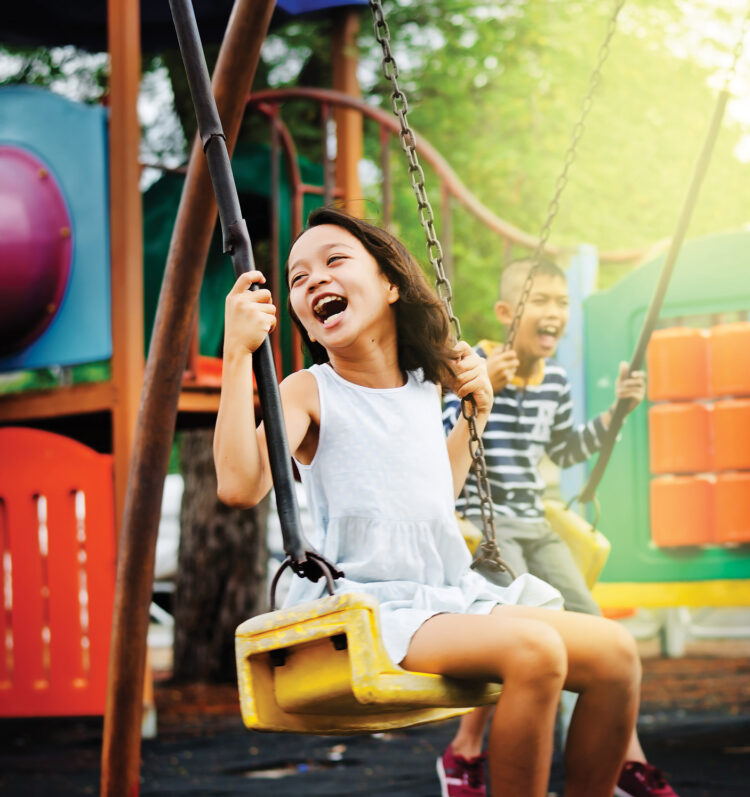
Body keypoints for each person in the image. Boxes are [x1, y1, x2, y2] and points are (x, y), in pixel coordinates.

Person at [213, 208, 642, 797]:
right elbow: (239, 485)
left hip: (445, 596)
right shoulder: (308, 391)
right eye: (297, 278)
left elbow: (434, 496)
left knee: (616, 653)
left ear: (390, 284)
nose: (312, 281)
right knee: (536, 651)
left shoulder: (426, 389)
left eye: (335, 261)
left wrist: (478, 414)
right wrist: (238, 355)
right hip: (368, 605)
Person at [437, 258, 677, 797]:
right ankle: (470, 750)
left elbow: (564, 449)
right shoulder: (474, 364)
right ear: (506, 312)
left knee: (594, 628)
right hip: (484, 525)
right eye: (539, 301)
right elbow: (437, 450)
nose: (553, 313)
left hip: (536, 520)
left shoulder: (558, 381)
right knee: (534, 630)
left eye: (561, 303)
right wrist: (476, 397)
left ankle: (621, 763)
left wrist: (617, 412)